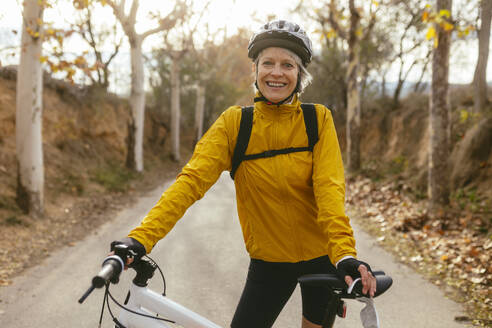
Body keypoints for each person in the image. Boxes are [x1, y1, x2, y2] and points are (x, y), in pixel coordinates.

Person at [111, 20, 376, 328]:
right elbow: (190, 183)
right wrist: (140, 239)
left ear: (299, 75)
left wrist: (344, 253)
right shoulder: (235, 124)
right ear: (255, 70)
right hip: (269, 263)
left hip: (322, 257)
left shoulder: (317, 120)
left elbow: (329, 190)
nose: (276, 73)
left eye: (288, 65)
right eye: (268, 63)